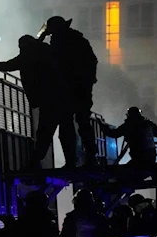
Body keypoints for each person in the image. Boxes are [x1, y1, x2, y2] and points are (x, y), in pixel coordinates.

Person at [0, 35, 77, 169]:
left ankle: (35, 161)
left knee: (44, 132)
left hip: (49, 99)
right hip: (64, 97)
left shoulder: (28, 55)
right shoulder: (46, 51)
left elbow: (10, 65)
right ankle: (71, 162)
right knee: (66, 131)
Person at [38, 16, 99, 166]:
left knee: (67, 124)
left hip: (67, 89)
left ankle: (72, 160)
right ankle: (91, 157)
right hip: (81, 88)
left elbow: (36, 49)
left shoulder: (59, 43)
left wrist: (42, 36)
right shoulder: (78, 40)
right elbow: (92, 62)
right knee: (82, 123)